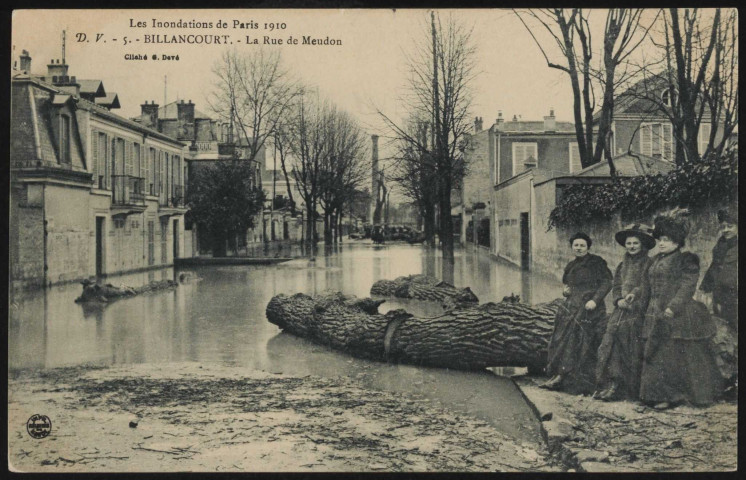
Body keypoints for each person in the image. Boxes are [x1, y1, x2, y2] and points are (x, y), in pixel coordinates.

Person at [639, 210, 722, 409]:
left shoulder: (686, 259)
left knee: (671, 354)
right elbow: (646, 286)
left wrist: (672, 308)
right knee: (654, 352)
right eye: (659, 239)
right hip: (654, 311)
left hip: (678, 313)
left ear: (677, 241)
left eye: (666, 240)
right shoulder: (654, 260)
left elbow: (687, 286)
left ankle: (672, 396)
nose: (661, 243)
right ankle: (654, 395)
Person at [541, 232, 612, 394]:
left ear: (588, 247)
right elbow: (568, 285)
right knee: (559, 338)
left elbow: (607, 283)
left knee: (576, 340)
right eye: (576, 245)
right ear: (572, 247)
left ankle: (569, 378)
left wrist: (595, 300)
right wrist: (566, 292)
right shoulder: (571, 265)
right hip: (571, 307)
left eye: (582, 245)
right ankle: (558, 374)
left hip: (590, 308)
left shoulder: (597, 263)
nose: (579, 248)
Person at [594, 224, 655, 401]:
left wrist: (634, 296)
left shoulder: (648, 264)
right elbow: (617, 285)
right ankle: (608, 383)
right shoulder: (622, 264)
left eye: (635, 243)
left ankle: (624, 386)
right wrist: (618, 300)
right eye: (629, 243)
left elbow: (646, 285)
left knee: (628, 346)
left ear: (642, 245)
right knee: (608, 342)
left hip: (637, 312)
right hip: (620, 310)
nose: (632, 246)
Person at [700, 209, 738, 329]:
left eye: (730, 226)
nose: (726, 230)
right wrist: (705, 287)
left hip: (735, 293)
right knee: (721, 322)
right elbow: (714, 266)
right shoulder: (721, 244)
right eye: (723, 227)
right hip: (720, 291)